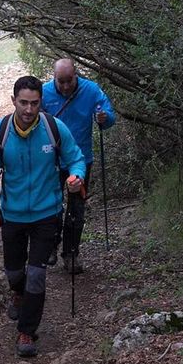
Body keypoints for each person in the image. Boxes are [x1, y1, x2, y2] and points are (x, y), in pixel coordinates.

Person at [0, 75, 86, 358]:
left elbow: (76, 158)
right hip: (11, 214)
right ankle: (18, 292)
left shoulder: (53, 128)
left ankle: (26, 331)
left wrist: (76, 176)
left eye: (34, 103)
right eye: (23, 102)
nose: (28, 109)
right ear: (13, 101)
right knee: (14, 272)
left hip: (46, 213)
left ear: (41, 103)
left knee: (36, 274)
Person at [41, 59, 117, 274]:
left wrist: (104, 118)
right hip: (51, 161)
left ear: (77, 75)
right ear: (54, 78)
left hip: (81, 161)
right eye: (61, 81)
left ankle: (71, 253)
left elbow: (109, 116)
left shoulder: (91, 90)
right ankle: (51, 247)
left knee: (77, 209)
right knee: (51, 205)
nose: (65, 86)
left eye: (69, 81)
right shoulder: (44, 93)